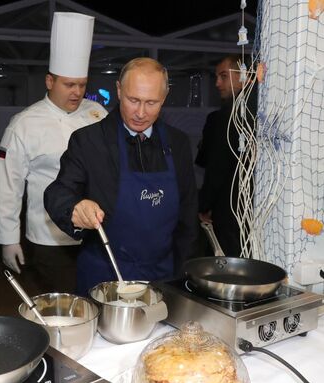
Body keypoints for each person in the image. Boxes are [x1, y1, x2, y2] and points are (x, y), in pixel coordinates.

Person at [44, 57, 198, 295]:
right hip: (104, 278)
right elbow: (59, 191)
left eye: (151, 103)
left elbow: (188, 217)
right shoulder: (88, 141)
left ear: (164, 99)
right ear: (118, 90)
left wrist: (183, 279)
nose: (140, 112)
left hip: (164, 277)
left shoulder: (178, 143)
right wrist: (74, 206)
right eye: (133, 100)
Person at [0, 12, 107, 293]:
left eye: (82, 84)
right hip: (49, 240)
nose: (77, 92)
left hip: (95, 235)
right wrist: (9, 239)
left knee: (98, 305)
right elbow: (8, 185)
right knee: (60, 314)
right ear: (49, 81)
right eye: (69, 84)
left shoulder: (98, 114)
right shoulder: (25, 123)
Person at [196, 54, 256, 257]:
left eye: (223, 76)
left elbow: (216, 167)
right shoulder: (265, 106)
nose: (217, 84)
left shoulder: (228, 115)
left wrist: (204, 204)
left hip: (230, 208)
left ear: (244, 76)